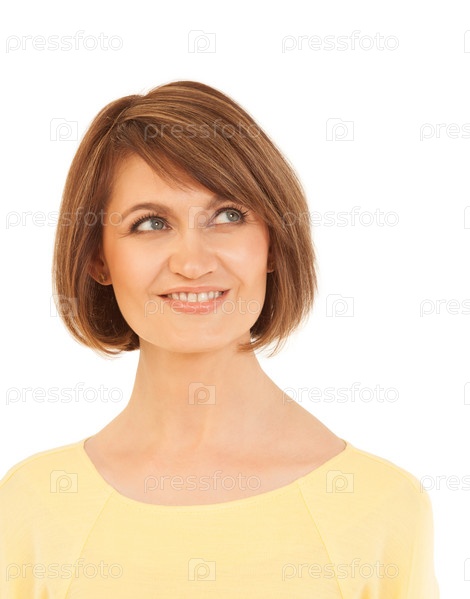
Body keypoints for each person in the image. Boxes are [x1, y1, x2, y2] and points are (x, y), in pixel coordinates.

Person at [0, 80, 439, 597]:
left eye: (228, 216)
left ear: (273, 242)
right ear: (99, 259)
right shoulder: (33, 509)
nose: (193, 263)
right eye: (151, 223)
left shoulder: (380, 508)